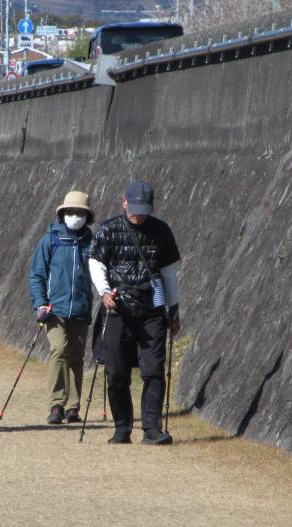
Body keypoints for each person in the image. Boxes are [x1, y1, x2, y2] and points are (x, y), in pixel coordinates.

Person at [88, 180, 181, 445]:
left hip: (152, 309)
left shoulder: (161, 231)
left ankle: (152, 429)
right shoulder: (108, 230)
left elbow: (169, 274)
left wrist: (173, 310)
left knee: (153, 370)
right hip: (118, 309)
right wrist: (105, 292)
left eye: (144, 208)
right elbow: (96, 264)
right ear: (124, 201)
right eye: (134, 207)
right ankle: (121, 428)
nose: (138, 214)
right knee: (116, 372)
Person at [28, 191, 95, 425]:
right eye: (71, 212)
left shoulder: (92, 242)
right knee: (59, 350)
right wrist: (39, 303)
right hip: (53, 309)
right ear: (63, 213)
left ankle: (73, 408)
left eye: (80, 213)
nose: (75, 216)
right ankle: (56, 404)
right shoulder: (51, 239)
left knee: (77, 356)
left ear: (87, 216)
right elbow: (37, 274)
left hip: (81, 308)